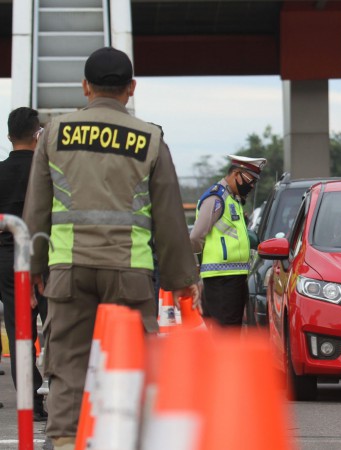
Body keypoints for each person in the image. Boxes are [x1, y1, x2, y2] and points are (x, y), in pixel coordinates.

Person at [23, 47, 201, 450]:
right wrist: (182, 280)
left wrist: (33, 266)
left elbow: (37, 208)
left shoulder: (54, 133)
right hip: (129, 273)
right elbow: (169, 218)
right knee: (130, 367)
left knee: (68, 366)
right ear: (130, 88)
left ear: (85, 87)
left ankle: (67, 442)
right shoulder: (151, 138)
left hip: (68, 269)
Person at [0, 107, 49, 421]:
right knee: (58, 329)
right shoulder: (49, 171)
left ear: (8, 136)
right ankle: (61, 396)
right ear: (38, 135)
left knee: (20, 331)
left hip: (6, 260)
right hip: (46, 256)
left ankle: (30, 404)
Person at [190, 155, 266, 327]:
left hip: (234, 278)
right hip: (220, 280)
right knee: (226, 333)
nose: (252, 185)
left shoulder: (233, 199)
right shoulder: (216, 198)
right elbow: (195, 237)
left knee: (231, 330)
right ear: (236, 174)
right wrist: (196, 265)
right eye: (250, 180)